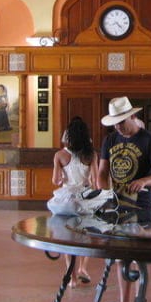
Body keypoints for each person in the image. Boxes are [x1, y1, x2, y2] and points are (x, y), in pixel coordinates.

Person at [97, 97, 151, 302]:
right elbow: (102, 171)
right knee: (120, 258)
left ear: (133, 116)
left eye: (121, 121)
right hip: (116, 205)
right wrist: (102, 190)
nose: (118, 127)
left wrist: (144, 181)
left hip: (141, 206)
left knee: (137, 257)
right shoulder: (110, 140)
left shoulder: (149, 140)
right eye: (114, 123)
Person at [48, 116, 98, 287]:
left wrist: (63, 176)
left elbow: (55, 180)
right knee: (87, 235)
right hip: (85, 199)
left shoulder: (59, 155)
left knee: (67, 237)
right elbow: (96, 181)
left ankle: (72, 277)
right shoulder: (91, 155)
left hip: (66, 200)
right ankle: (83, 268)